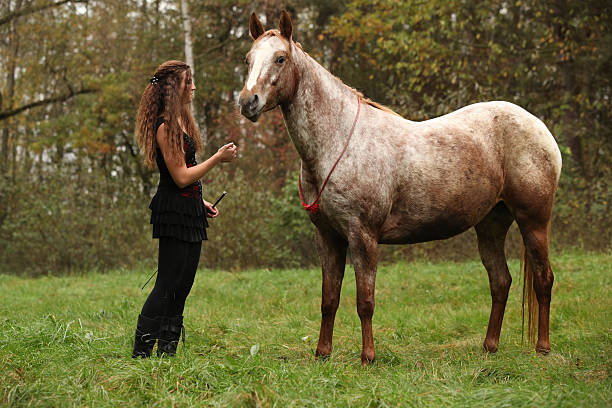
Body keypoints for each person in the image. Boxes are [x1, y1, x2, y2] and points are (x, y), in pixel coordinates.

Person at [132, 60, 237, 358]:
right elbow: (179, 177)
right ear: (172, 88)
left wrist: (199, 202)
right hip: (172, 212)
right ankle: (141, 353)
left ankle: (167, 353)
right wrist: (217, 158)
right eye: (188, 82)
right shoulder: (165, 126)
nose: (193, 87)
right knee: (167, 284)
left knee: (183, 286)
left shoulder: (181, 122)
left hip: (188, 209)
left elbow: (185, 173)